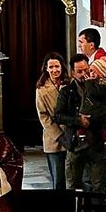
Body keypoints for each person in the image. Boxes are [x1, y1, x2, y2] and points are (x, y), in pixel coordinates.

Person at [54, 54, 106, 192]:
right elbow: (58, 116)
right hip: (76, 144)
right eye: (79, 71)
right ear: (73, 73)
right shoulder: (67, 91)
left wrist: (92, 119)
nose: (83, 74)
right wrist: (78, 120)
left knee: (99, 185)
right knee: (73, 185)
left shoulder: (100, 90)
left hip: (97, 144)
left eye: (86, 70)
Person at [36, 52, 69, 190]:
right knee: (59, 180)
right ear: (46, 68)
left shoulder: (69, 83)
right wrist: (60, 135)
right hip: (54, 139)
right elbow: (43, 116)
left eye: (57, 66)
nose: (55, 70)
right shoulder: (41, 89)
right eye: (51, 67)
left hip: (72, 134)